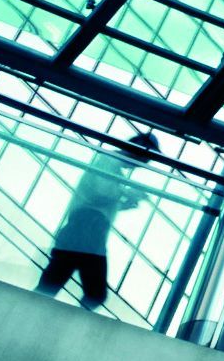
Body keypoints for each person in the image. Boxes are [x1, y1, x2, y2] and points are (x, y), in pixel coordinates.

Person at [38, 132, 156, 310]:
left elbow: (98, 198)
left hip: (83, 226)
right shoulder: (109, 160)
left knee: (55, 281)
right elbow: (101, 193)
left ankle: (32, 314)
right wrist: (128, 193)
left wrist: (123, 203)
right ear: (137, 150)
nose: (140, 166)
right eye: (144, 160)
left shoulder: (111, 164)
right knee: (94, 293)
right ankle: (63, 324)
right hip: (88, 226)